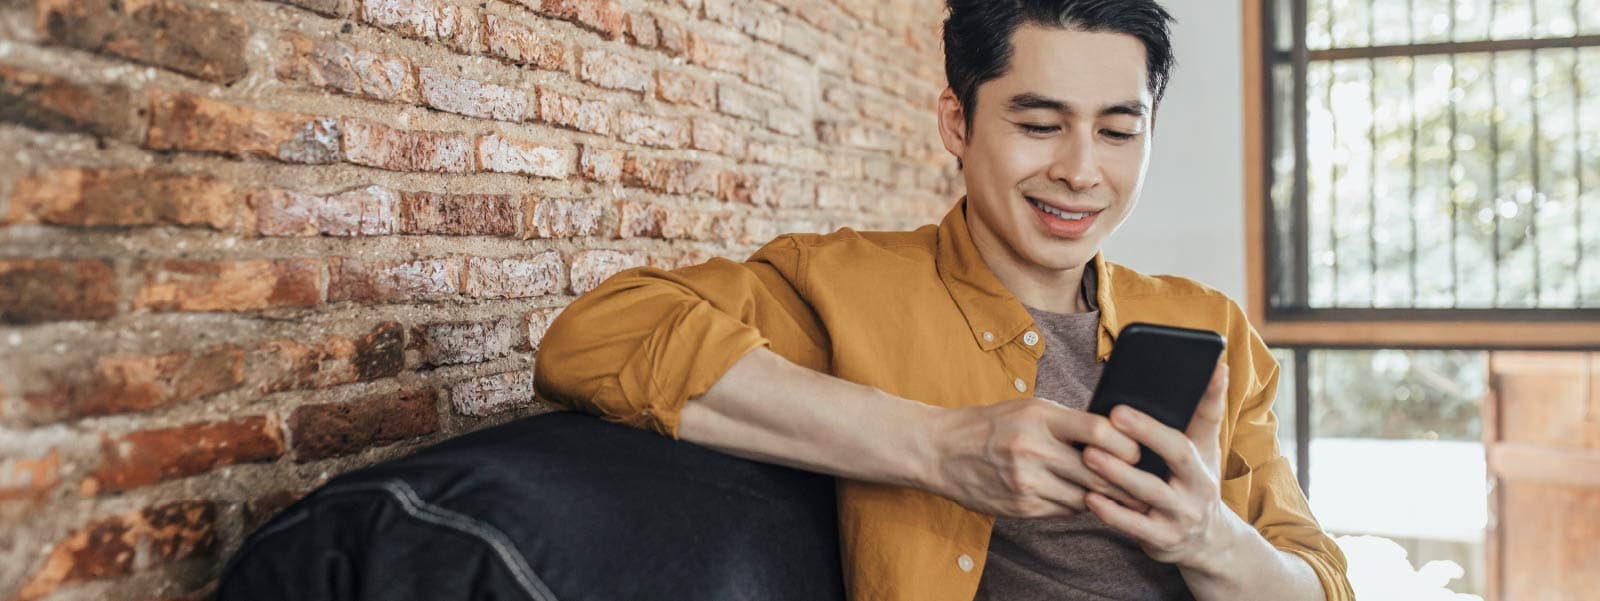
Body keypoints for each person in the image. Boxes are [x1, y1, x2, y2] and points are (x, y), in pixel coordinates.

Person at [533, 1, 1353, 599]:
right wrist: (939, 447)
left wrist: (1205, 536)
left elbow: (1319, 584)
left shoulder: (1210, 328)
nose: (1081, 170)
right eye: (1039, 125)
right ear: (956, 123)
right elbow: (592, 339)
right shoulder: (845, 285)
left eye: (1116, 130)